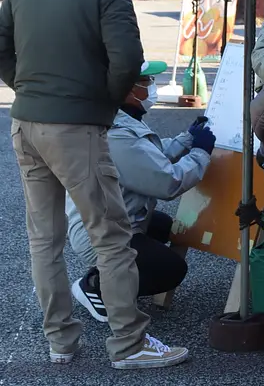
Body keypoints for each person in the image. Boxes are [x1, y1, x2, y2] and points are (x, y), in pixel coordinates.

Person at [0, 0, 188, 369]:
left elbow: (1, 50)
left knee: (44, 240)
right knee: (111, 237)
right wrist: (101, 106)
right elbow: (127, 62)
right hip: (76, 127)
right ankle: (129, 344)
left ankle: (60, 341)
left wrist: (24, 89)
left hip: (25, 124)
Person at [66, 60, 216, 322]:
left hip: (110, 220)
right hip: (101, 232)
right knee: (171, 270)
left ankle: (113, 271)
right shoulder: (116, 134)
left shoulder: (116, 117)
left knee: (163, 226)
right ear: (126, 89)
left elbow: (147, 158)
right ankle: (96, 286)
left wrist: (186, 140)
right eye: (146, 82)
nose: (152, 88)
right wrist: (201, 154)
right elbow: (167, 183)